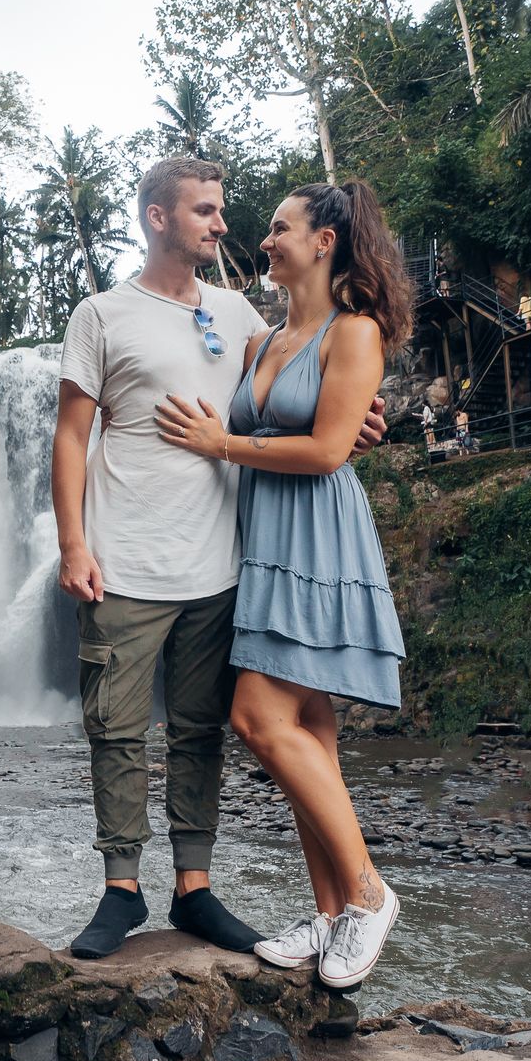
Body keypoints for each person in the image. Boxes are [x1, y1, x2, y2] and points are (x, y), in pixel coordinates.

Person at [51, 157, 386, 960]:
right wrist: (72, 543)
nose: (223, 225)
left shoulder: (240, 316)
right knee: (116, 728)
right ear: (159, 217)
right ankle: (121, 891)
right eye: (205, 210)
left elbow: (299, 397)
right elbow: (70, 434)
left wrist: (360, 425)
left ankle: (195, 889)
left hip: (226, 563)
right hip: (122, 556)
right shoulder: (100, 314)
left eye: (227, 211)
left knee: (204, 730)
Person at [155, 179, 411, 990]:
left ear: (325, 240)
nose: (264, 239)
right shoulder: (263, 341)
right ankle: (331, 913)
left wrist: (218, 444)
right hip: (261, 543)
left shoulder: (355, 332)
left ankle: (370, 894)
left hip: (319, 541)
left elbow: (331, 450)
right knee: (312, 735)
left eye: (278, 227)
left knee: (256, 715)